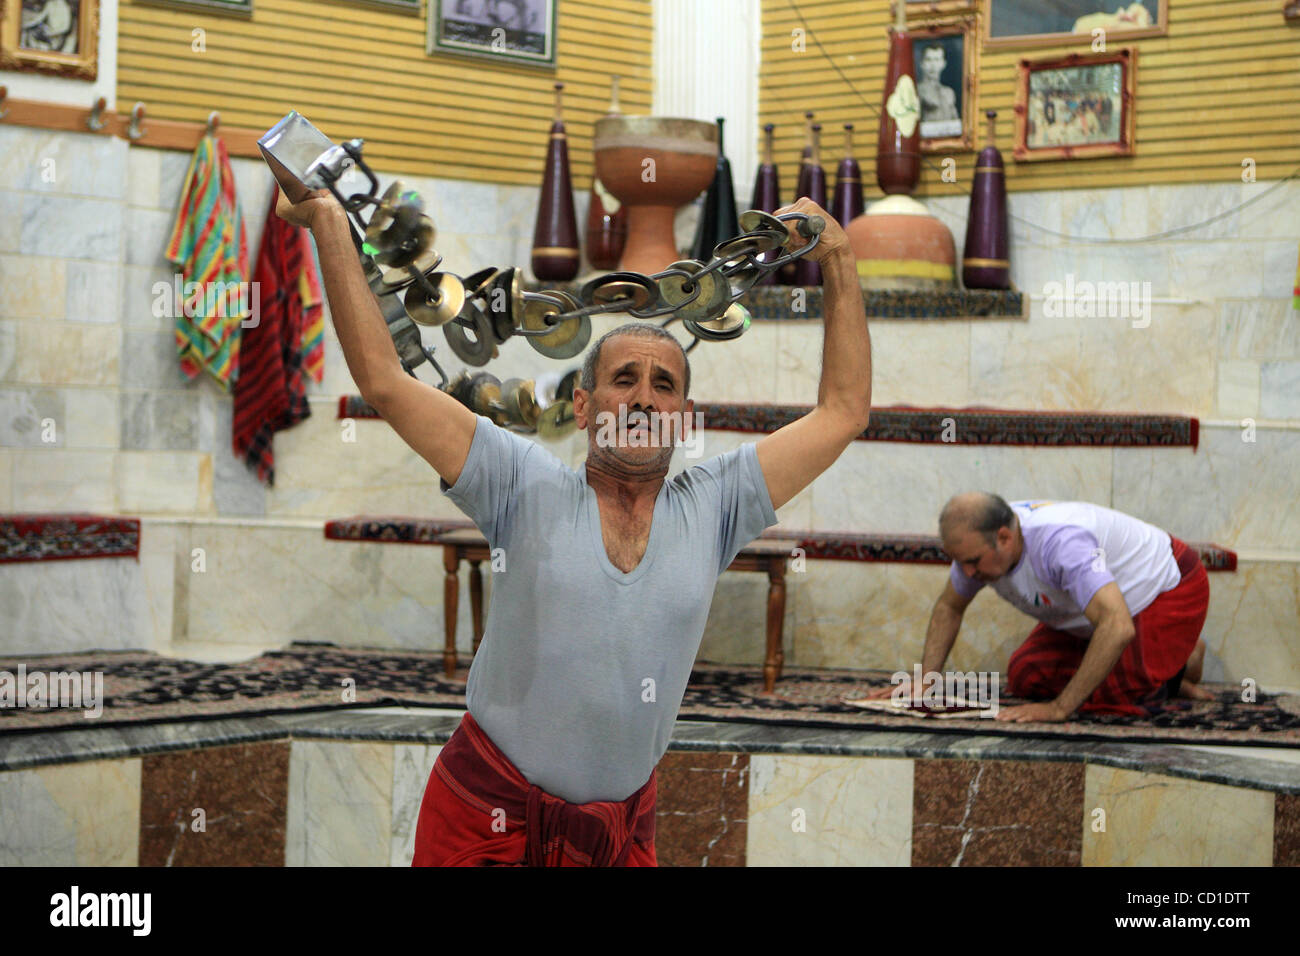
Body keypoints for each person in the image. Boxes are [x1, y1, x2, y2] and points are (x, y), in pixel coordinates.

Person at [274, 189, 872, 864]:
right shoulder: (521, 482)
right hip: (486, 827)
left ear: (683, 415)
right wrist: (329, 222)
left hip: (616, 840)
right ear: (584, 407)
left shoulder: (715, 507)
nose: (644, 396)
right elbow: (383, 380)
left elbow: (845, 411)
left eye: (663, 385)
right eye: (624, 379)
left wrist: (839, 256)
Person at [870, 493, 1211, 722]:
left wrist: (1059, 709)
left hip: (1167, 588)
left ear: (1004, 537)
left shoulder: (1062, 544)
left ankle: (1181, 659)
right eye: (960, 563)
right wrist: (925, 680)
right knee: (1026, 674)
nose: (968, 574)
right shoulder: (979, 549)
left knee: (1106, 699)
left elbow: (1117, 626)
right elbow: (949, 607)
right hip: (1097, 611)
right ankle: (1158, 666)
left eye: (972, 563)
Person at [917, 44, 960, 138]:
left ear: (943, 63)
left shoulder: (949, 93)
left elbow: (957, 125)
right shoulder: (917, 91)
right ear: (922, 63)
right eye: (929, 60)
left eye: (937, 60)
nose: (933, 65)